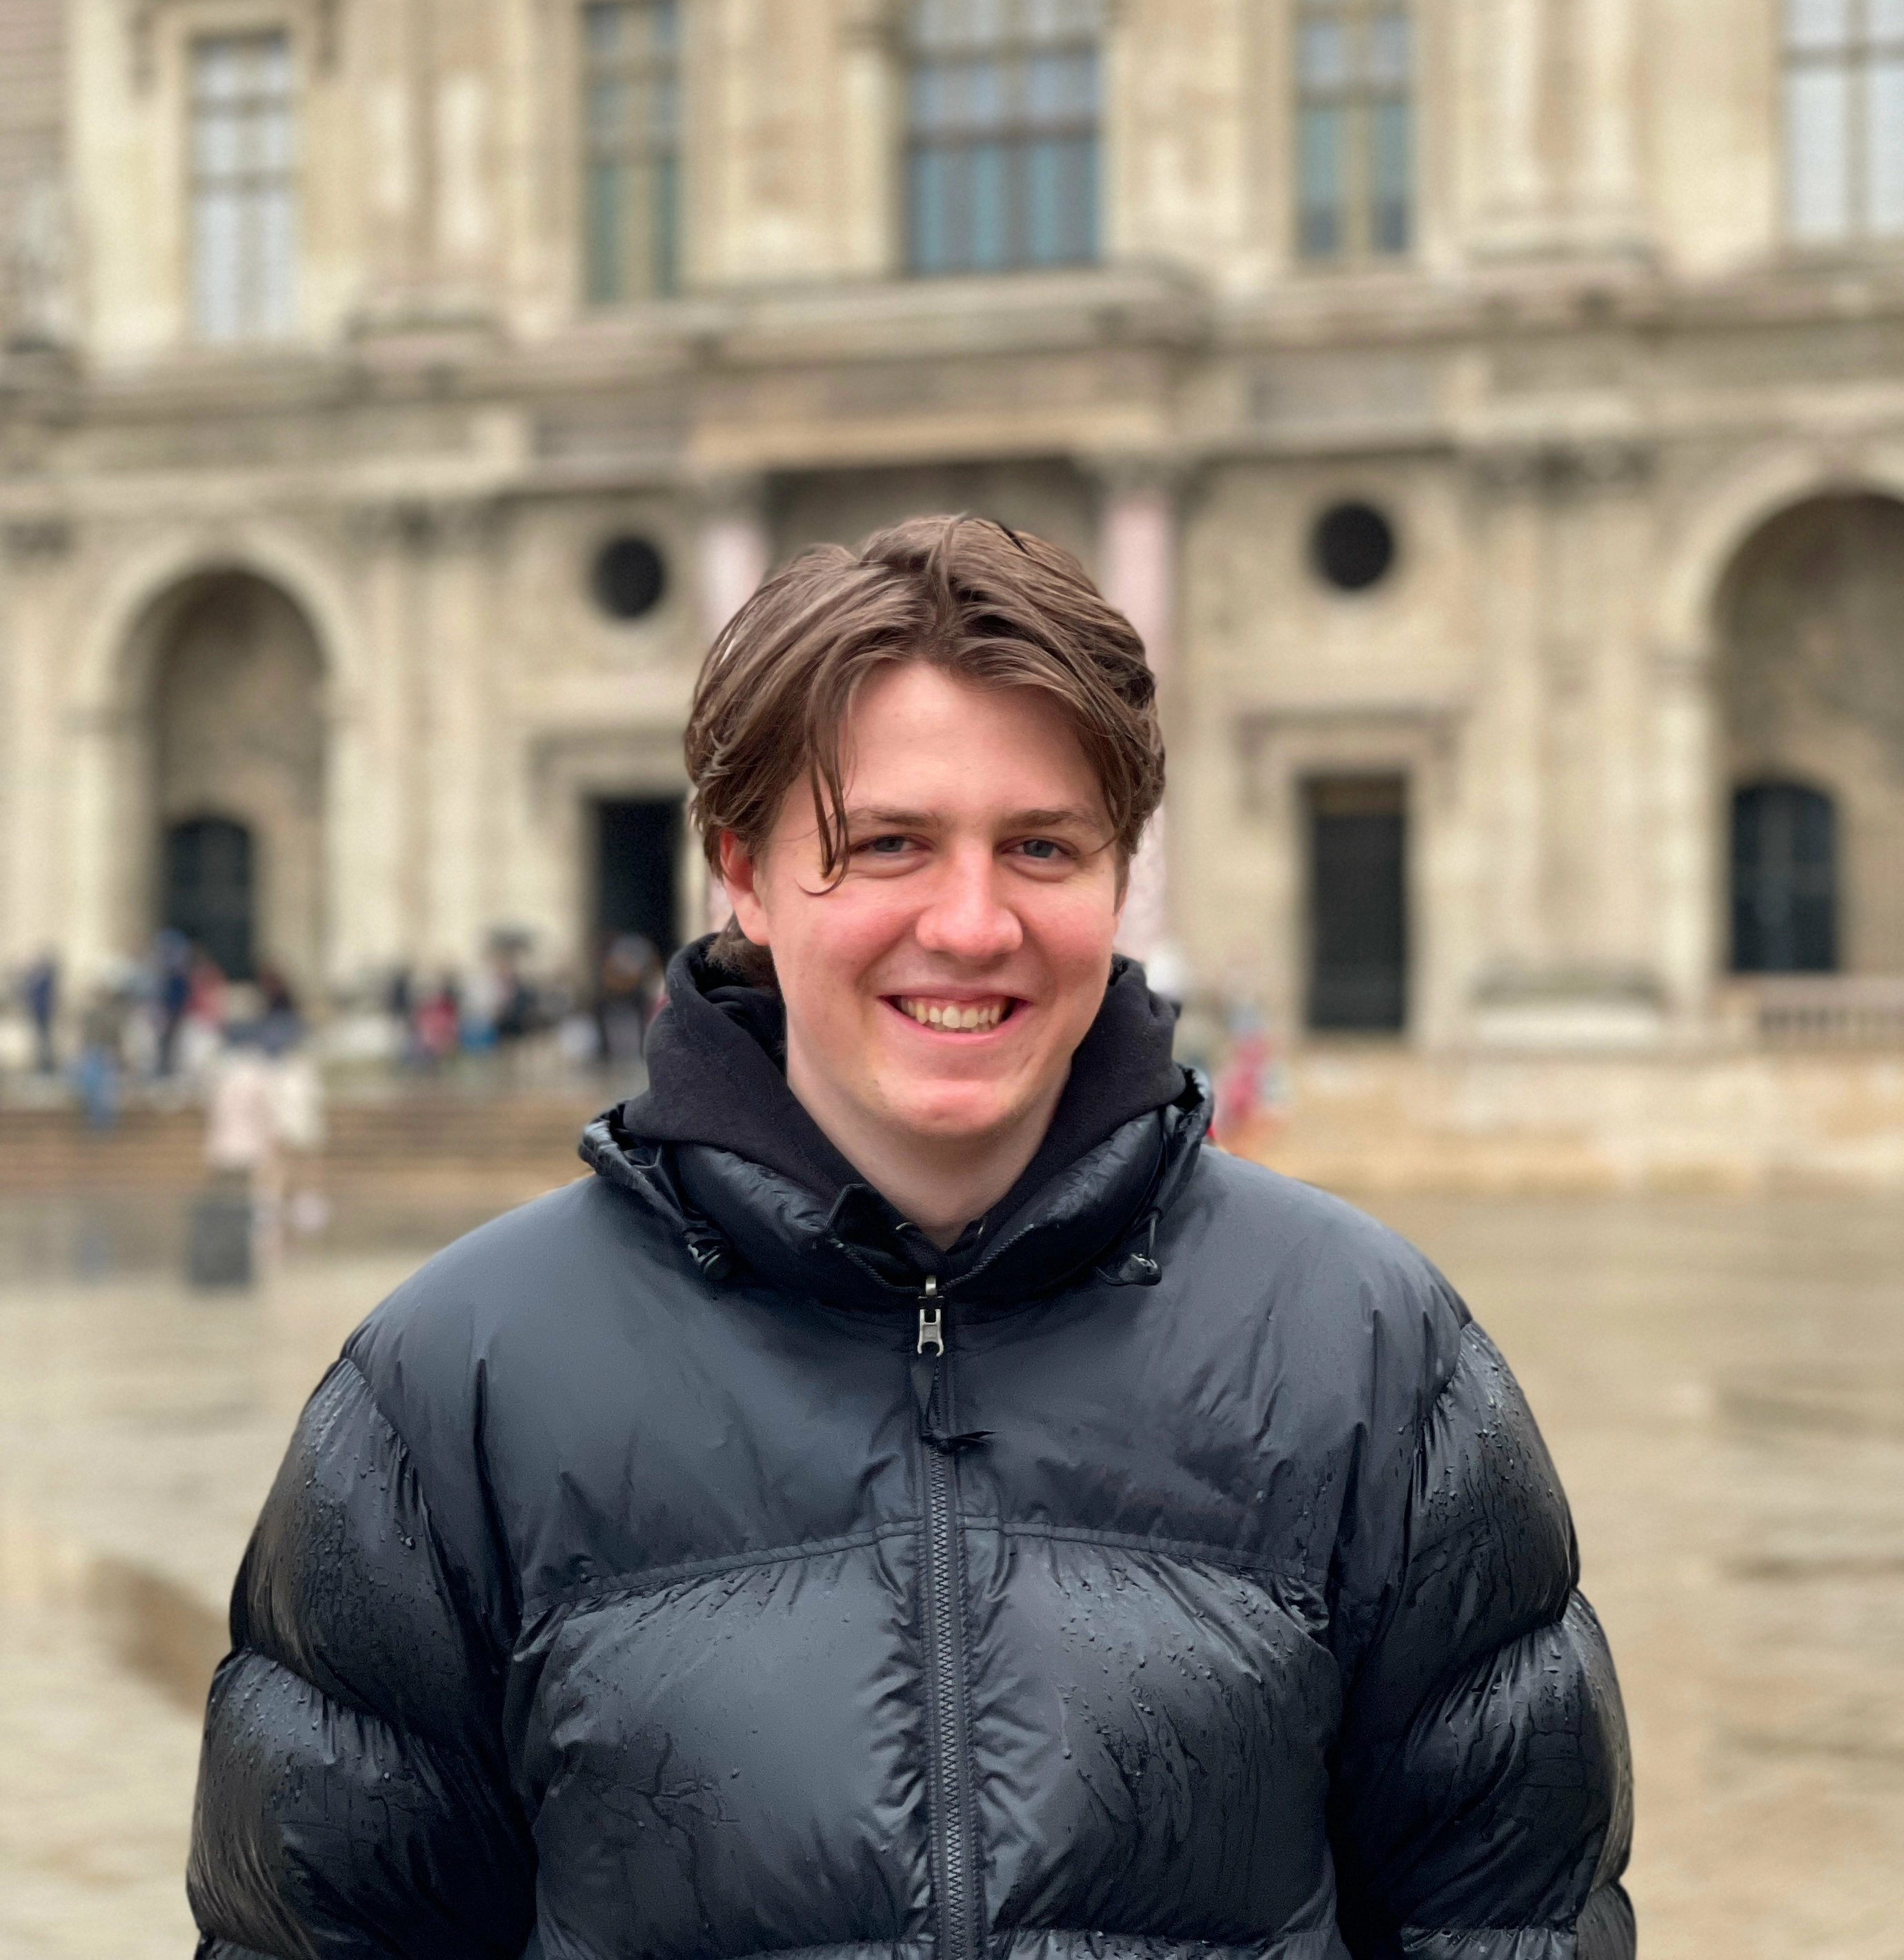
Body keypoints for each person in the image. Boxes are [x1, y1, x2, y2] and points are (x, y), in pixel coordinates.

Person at [188, 517, 1634, 1960]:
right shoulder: (452, 1387)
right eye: (888, 844)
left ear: (1120, 874)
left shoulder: (1374, 1351)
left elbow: (1515, 1922)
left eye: (1041, 847)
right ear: (742, 872)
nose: (971, 921)